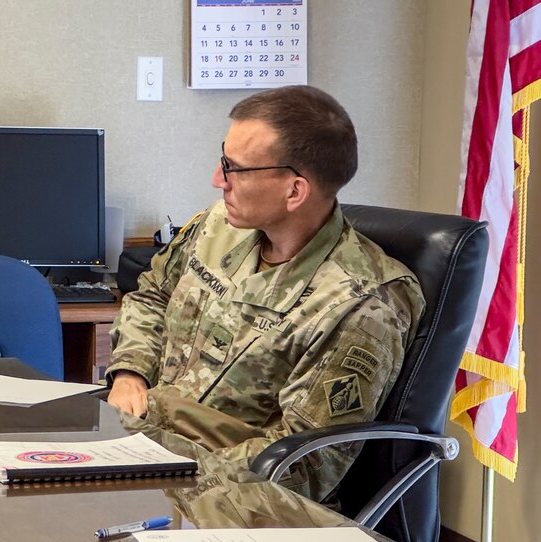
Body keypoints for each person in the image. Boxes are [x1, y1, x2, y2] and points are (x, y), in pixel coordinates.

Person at [106, 85, 425, 503]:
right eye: (224, 159)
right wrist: (131, 371)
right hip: (138, 455)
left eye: (235, 169)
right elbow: (151, 296)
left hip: (228, 502)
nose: (218, 180)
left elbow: (301, 462)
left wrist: (156, 468)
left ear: (295, 191)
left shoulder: (362, 304)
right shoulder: (216, 227)